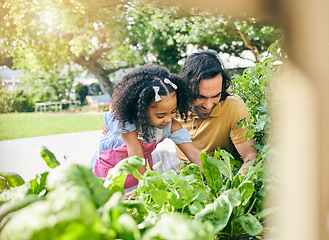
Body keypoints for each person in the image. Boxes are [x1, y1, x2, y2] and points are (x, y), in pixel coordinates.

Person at [91, 64, 203, 190]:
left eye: (173, 111)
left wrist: (210, 174)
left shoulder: (171, 126)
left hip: (138, 172)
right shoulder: (126, 122)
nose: (168, 119)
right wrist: (144, 188)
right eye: (160, 115)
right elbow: (136, 153)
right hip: (110, 171)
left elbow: (193, 152)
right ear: (141, 111)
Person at [176, 50, 258, 173]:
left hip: (222, 175)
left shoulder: (233, 106)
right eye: (200, 97)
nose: (208, 106)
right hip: (184, 174)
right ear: (186, 88)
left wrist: (232, 189)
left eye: (216, 96)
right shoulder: (173, 104)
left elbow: (250, 158)